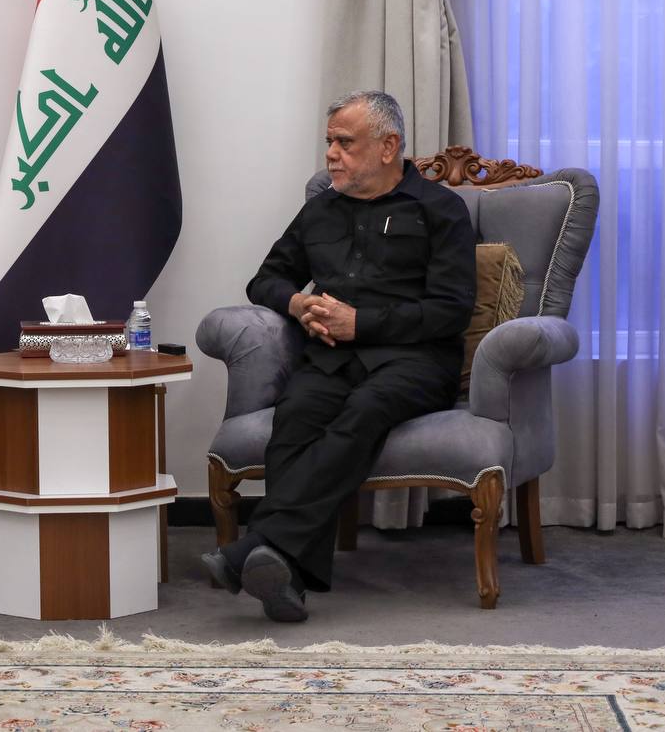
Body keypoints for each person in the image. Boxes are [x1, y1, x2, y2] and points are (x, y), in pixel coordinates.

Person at [200, 91, 476, 622]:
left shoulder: (441, 210)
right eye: (329, 142)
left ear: (388, 147)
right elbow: (266, 279)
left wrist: (361, 323)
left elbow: (451, 310)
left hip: (415, 361)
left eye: (345, 143)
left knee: (363, 412)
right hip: (331, 357)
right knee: (296, 416)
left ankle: (256, 547)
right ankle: (284, 575)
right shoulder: (320, 209)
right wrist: (297, 303)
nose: (331, 154)